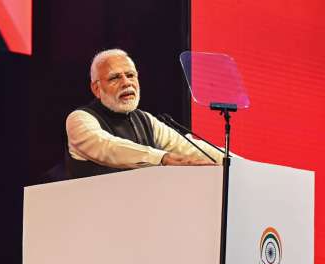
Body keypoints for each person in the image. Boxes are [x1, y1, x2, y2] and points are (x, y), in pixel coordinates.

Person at [65, 49, 224, 178]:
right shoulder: (79, 119)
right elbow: (109, 147)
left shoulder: (146, 120)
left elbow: (189, 147)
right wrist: (162, 158)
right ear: (96, 89)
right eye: (115, 77)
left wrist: (235, 163)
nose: (126, 82)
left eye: (130, 75)